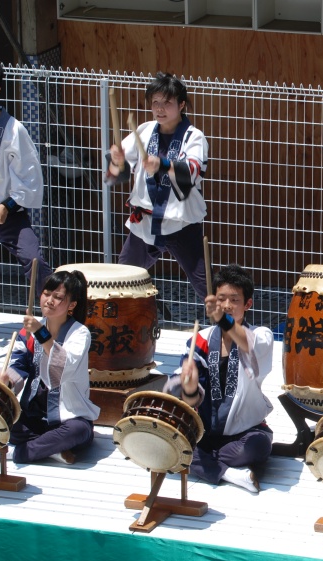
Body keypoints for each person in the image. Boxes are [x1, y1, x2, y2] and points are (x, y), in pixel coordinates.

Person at [163, 263, 274, 493]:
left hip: (245, 433)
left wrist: (222, 318)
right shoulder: (200, 340)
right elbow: (190, 401)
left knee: (257, 446)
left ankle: (201, 462)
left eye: (234, 300)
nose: (227, 305)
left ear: (248, 304)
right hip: (204, 432)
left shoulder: (261, 335)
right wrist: (189, 387)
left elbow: (247, 343)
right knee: (170, 443)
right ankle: (229, 473)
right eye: (222, 299)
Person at [106, 72, 209, 300]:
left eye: (167, 102)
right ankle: (125, 321)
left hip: (180, 223)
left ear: (181, 104)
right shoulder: (144, 130)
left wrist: (162, 164)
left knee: (206, 286)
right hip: (145, 223)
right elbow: (116, 174)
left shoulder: (194, 137)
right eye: (155, 102)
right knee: (123, 281)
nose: (160, 109)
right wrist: (117, 160)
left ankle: (228, 322)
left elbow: (192, 172)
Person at [0, 270, 99, 465]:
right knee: (6, 420)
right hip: (34, 415)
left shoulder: (80, 334)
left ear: (71, 305)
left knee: (78, 432)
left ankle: (14, 453)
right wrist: (7, 380)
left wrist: (40, 332)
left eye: (58, 297)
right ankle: (50, 449)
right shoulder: (28, 333)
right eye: (46, 294)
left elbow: (64, 367)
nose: (49, 300)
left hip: (68, 417)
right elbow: (19, 365)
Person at [0, 53, 52, 293]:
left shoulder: (14, 130)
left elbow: (29, 180)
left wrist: (5, 207)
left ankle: (58, 311)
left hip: (8, 215)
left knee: (35, 262)